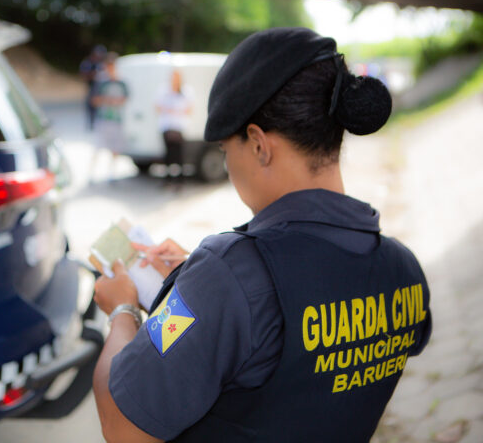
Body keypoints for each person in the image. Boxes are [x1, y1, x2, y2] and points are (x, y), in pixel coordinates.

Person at [91, 27, 432, 442]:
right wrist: (192, 284)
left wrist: (122, 311)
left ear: (258, 144)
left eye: (225, 151)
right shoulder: (403, 269)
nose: (228, 168)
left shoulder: (229, 274)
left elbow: (122, 426)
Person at [88, 52, 129, 184]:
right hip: (103, 119)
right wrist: (108, 100)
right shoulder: (101, 82)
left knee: (115, 148)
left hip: (116, 120)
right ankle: (91, 174)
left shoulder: (121, 82)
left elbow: (125, 99)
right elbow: (93, 100)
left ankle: (112, 173)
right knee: (98, 147)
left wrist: (115, 101)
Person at [155, 70, 193, 186]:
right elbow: (157, 106)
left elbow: (190, 109)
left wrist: (175, 111)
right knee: (168, 154)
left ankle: (180, 180)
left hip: (179, 126)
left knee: (179, 154)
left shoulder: (186, 91)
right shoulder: (164, 90)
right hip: (166, 126)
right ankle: (168, 179)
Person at [80, 45, 107, 131]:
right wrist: (95, 74)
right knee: (91, 106)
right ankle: (92, 124)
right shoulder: (88, 63)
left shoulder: (102, 64)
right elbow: (84, 75)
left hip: (102, 89)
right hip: (92, 88)